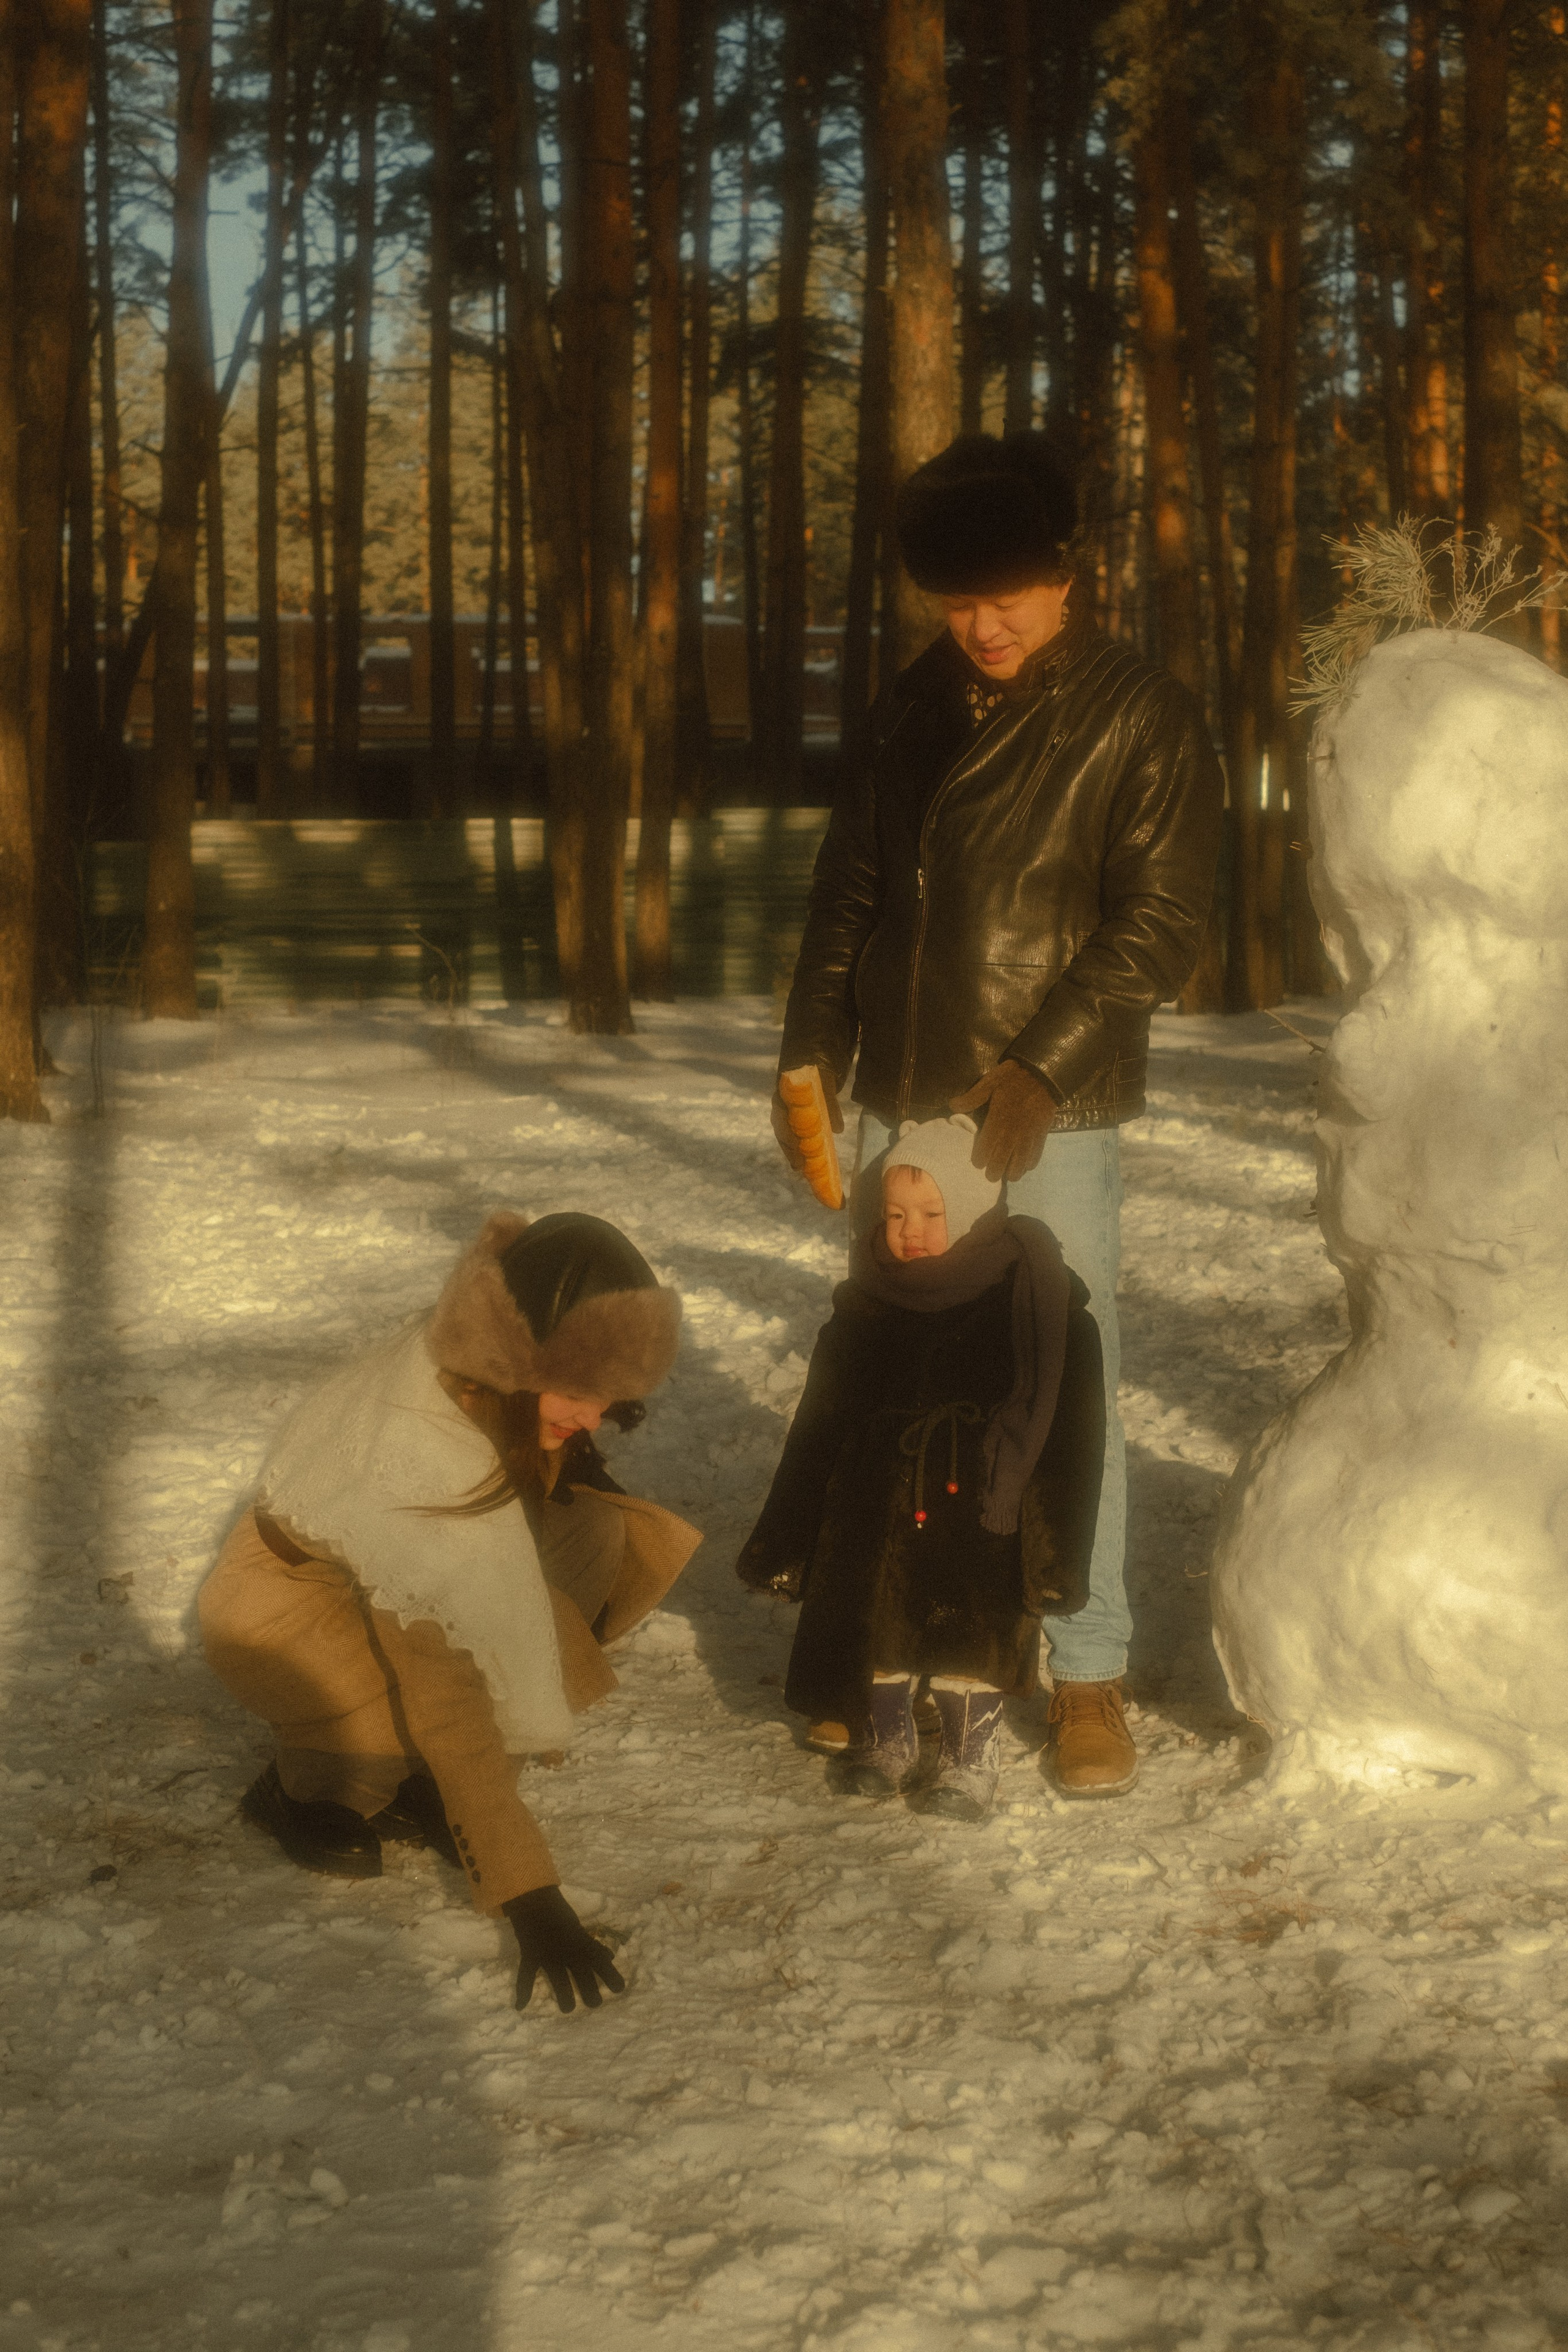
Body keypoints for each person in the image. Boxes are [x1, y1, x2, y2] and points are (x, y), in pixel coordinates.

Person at [771, 432, 1224, 1798]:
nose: (983, 626)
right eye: (958, 602)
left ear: (1067, 577)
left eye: (1008, 596)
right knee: (899, 1390)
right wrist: (809, 1049)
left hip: (1050, 1107)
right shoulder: (909, 708)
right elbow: (847, 891)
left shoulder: (1140, 715)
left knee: (1061, 1383)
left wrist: (1038, 1064)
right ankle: (886, 1641)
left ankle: (1086, 1673)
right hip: (907, 1096)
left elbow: (1161, 918)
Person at [199, 1211, 700, 2016]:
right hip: (276, 1609)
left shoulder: (491, 1367)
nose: (592, 1420)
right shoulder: (423, 1452)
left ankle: (425, 1782)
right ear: (527, 1362)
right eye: (579, 1395)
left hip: (366, 1577)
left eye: (607, 1400)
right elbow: (448, 1690)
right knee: (412, 1719)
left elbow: (514, 1538)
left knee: (596, 1534)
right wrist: (531, 1898)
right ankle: (303, 1786)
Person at [739, 1115, 1104, 1820]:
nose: (909, 1230)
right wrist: (784, 1541)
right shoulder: (867, 1306)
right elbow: (817, 1425)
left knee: (974, 1640)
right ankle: (887, 1736)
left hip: (981, 1512)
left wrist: (1056, 1558)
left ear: (973, 1212)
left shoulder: (1032, 1303)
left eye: (933, 1214)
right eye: (895, 1213)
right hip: (876, 1507)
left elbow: (1070, 1441)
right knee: (880, 1630)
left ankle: (969, 1757)